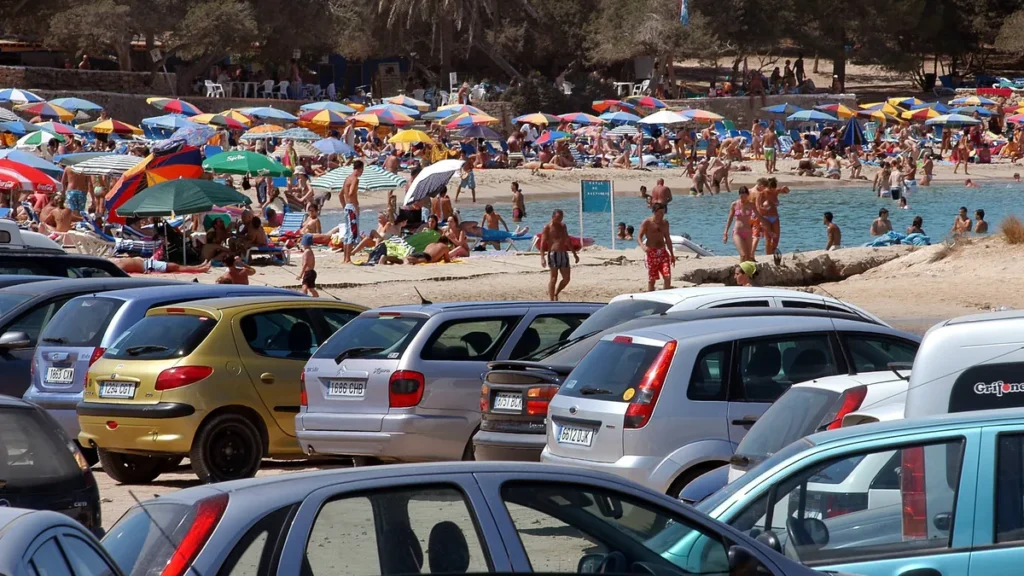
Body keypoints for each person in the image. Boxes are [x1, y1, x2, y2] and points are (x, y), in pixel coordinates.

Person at [539, 209, 578, 301]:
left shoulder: (563, 226)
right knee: (553, 278)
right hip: (553, 254)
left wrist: (574, 254)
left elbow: (567, 240)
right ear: (553, 217)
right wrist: (542, 257)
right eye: (557, 218)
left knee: (566, 278)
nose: (559, 220)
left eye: (561, 218)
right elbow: (542, 243)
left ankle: (556, 293)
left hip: (563, 253)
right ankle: (552, 299)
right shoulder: (547, 227)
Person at [638, 203, 675, 291]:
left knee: (667, 276)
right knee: (652, 279)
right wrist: (643, 246)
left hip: (662, 252)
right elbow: (639, 237)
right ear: (654, 212)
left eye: (663, 213)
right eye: (659, 213)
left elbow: (667, 238)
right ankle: (650, 295)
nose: (661, 215)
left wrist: (672, 254)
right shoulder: (647, 222)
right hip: (651, 253)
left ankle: (666, 295)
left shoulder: (665, 223)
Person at [723, 186, 758, 261]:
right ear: (739, 195)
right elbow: (730, 219)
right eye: (741, 197)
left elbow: (759, 217)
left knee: (748, 258)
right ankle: (741, 272)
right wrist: (725, 233)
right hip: (737, 232)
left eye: (745, 197)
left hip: (748, 232)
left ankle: (746, 272)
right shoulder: (734, 204)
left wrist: (768, 228)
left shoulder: (751, 205)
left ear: (748, 196)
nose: (743, 199)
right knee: (743, 255)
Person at [339, 160, 364, 264]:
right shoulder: (355, 179)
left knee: (347, 233)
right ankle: (347, 259)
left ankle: (346, 258)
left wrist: (345, 206)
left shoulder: (347, 179)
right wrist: (355, 207)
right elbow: (350, 193)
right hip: (352, 208)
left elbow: (340, 195)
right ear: (359, 169)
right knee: (351, 233)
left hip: (347, 208)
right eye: (362, 170)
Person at [116, 257, 212, 275]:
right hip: (149, 266)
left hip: (149, 262)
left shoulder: (117, 263)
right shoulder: (118, 267)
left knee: (176, 266)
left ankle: (199, 266)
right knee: (176, 267)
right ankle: (200, 269)